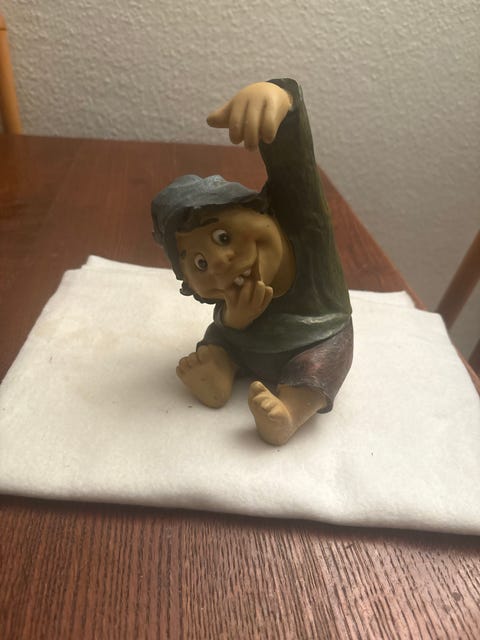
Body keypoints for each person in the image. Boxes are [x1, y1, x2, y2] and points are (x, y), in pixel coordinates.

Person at [151, 78, 353, 445]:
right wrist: (236, 319)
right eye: (199, 265)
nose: (218, 263)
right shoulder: (229, 292)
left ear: (263, 212)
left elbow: (296, 170)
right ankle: (218, 370)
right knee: (219, 338)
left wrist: (282, 101)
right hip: (246, 343)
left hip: (314, 340)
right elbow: (226, 319)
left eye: (223, 237)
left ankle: (290, 411)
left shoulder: (303, 230)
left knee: (325, 360)